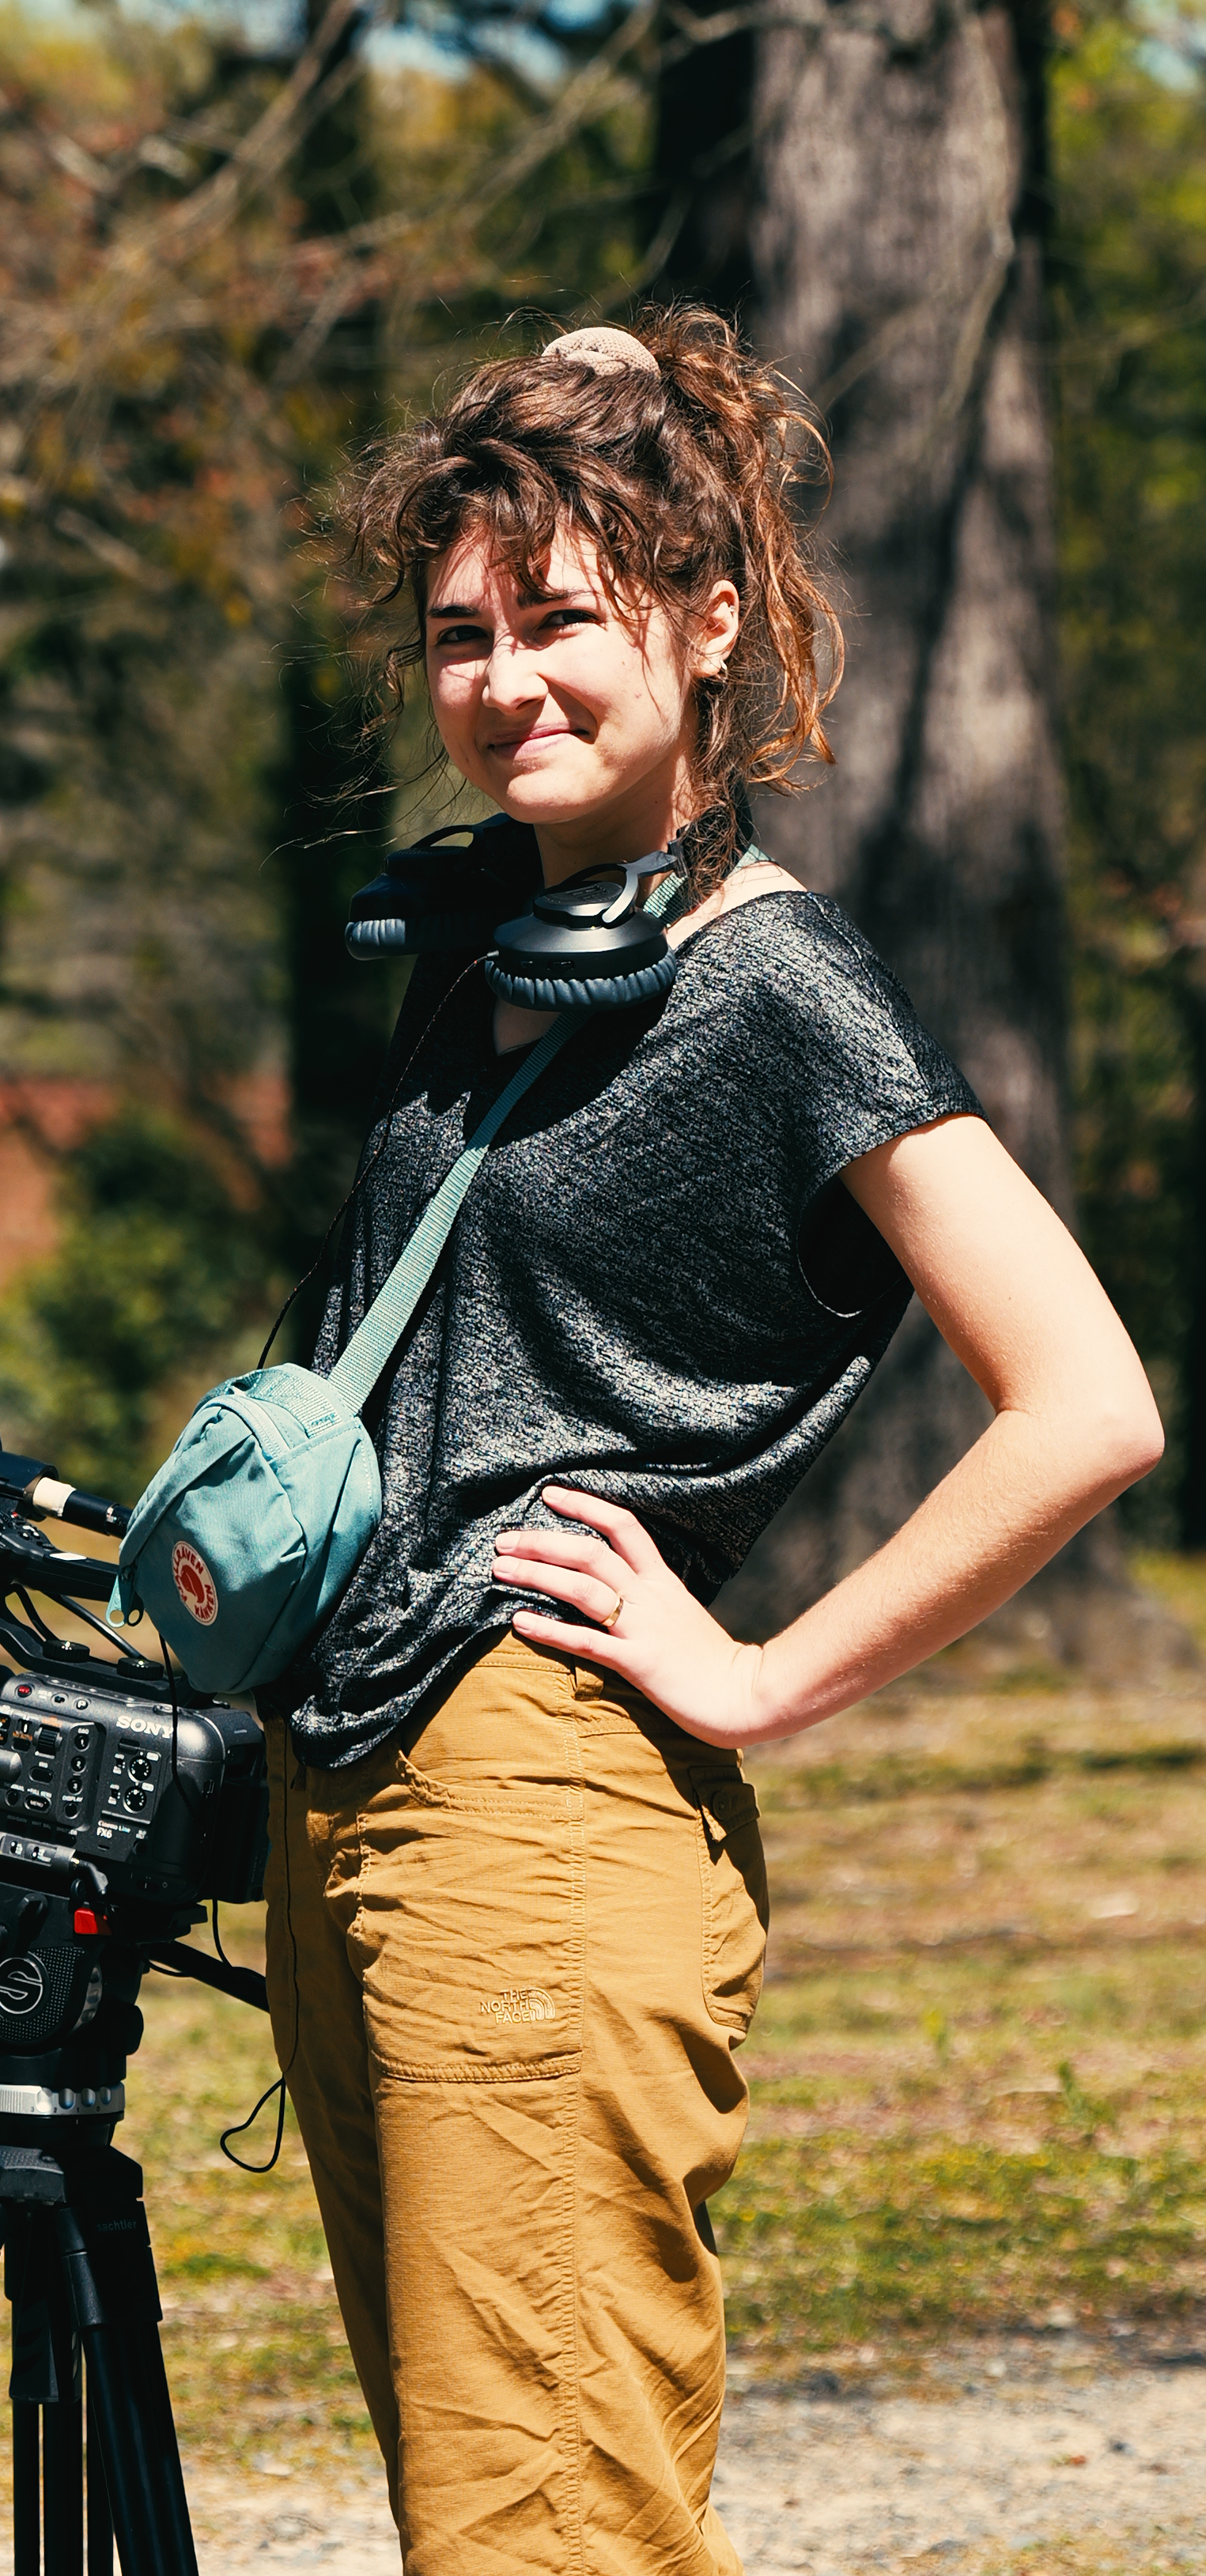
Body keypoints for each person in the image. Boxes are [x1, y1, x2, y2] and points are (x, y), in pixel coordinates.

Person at [257, 307, 1162, 2576]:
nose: (500, 680)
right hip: (352, 1787)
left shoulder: (777, 984)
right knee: (490, 2511)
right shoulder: (498, 946)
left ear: (708, 621)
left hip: (538, 1819)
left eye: (561, 618)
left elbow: (1086, 1401)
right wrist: (592, 383)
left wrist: (764, 1677)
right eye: (460, 634)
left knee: (548, 2536)